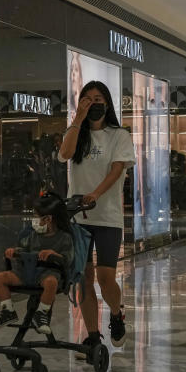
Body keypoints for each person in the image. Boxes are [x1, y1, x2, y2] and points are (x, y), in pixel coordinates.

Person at [58, 81, 134, 353]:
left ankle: (116, 312)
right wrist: (77, 119)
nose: (93, 103)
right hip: (79, 218)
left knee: (105, 276)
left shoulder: (119, 135)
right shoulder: (76, 133)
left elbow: (116, 171)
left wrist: (95, 194)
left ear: (108, 103)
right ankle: (92, 335)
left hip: (108, 217)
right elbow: (64, 154)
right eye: (87, 99)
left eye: (98, 98)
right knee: (83, 278)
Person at [0, 193, 74, 334]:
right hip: (25, 272)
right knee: (0, 278)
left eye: (36, 216)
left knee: (51, 283)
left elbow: (68, 258)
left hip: (47, 273)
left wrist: (54, 255)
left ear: (48, 219)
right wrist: (14, 251)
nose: (34, 220)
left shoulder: (64, 238)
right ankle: (7, 311)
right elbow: (23, 248)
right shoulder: (33, 235)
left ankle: (41, 314)